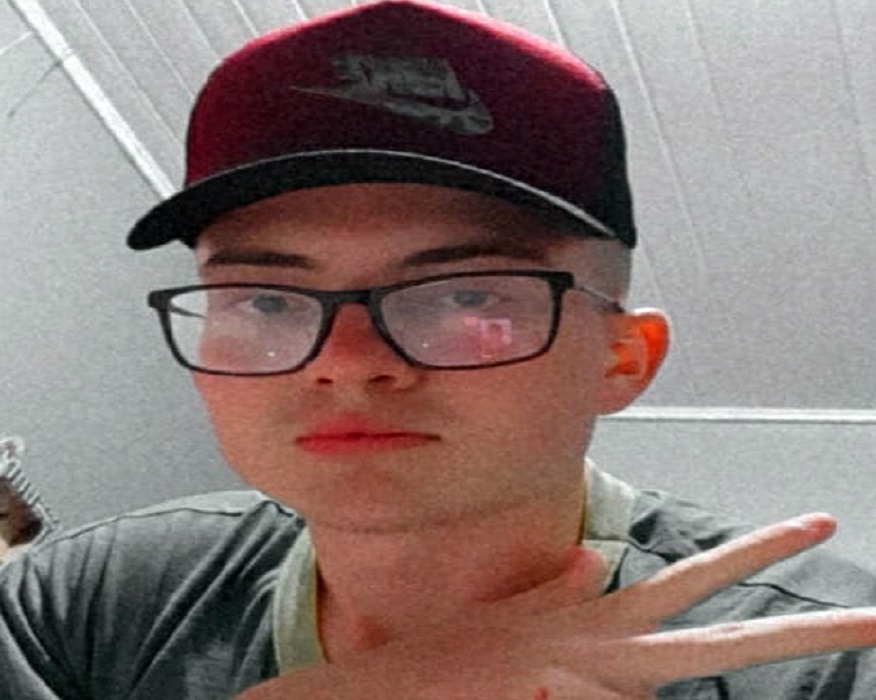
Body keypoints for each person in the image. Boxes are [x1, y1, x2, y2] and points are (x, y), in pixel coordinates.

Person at [2, 2, 876, 698]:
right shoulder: (91, 597)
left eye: (464, 296)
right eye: (265, 299)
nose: (346, 359)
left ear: (622, 357)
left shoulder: (820, 660)